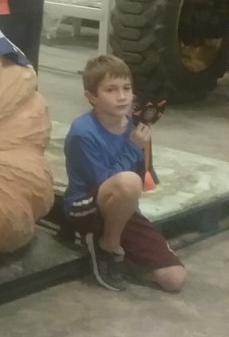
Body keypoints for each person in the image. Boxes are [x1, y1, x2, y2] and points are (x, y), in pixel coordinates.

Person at [63, 55, 187, 293]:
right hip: (86, 205)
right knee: (128, 182)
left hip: (123, 208)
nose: (122, 96)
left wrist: (142, 147)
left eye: (126, 88)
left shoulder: (135, 125)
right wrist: (133, 147)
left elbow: (143, 178)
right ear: (91, 97)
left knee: (175, 279)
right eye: (111, 90)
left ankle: (117, 251)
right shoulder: (82, 132)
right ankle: (107, 246)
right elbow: (105, 181)